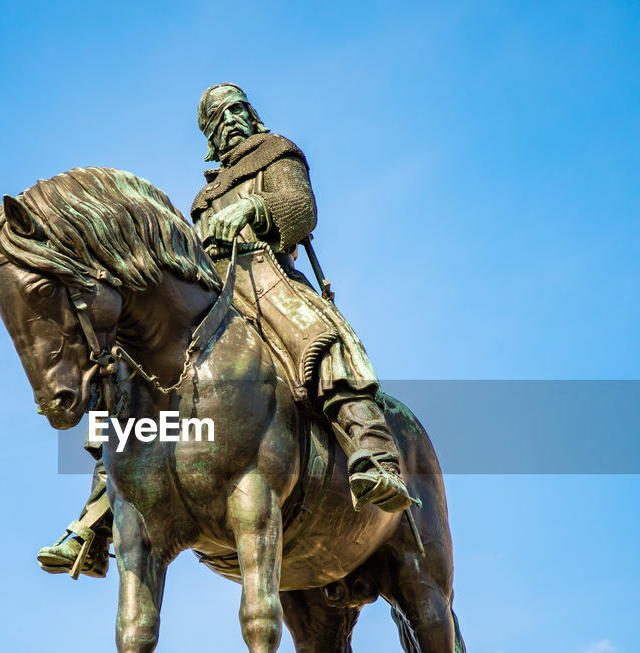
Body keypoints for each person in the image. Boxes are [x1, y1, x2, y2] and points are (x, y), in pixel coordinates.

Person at [38, 83, 413, 578]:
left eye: (237, 109)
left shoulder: (276, 152)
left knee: (313, 336)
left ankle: (373, 452)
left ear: (252, 115)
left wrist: (254, 210)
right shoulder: (203, 196)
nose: (230, 119)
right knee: (127, 379)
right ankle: (99, 516)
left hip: (265, 275)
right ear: (210, 135)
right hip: (210, 290)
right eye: (218, 117)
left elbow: (300, 208)